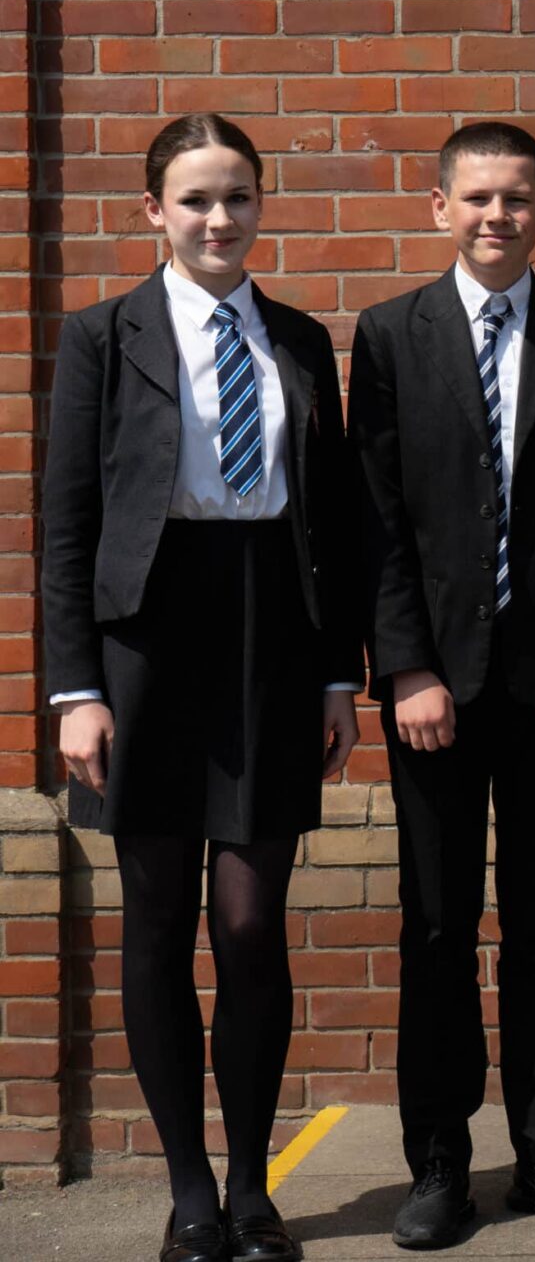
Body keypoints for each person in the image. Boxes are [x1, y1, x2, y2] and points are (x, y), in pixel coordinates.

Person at [43, 113, 364, 1262]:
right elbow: (67, 521)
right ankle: (189, 1193)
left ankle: (253, 1184)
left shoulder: (299, 336)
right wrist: (74, 686)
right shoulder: (100, 335)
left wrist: (340, 671)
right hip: (145, 644)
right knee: (157, 910)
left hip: (269, 637)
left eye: (237, 196)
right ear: (154, 211)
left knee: (248, 918)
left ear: (260, 202)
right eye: (195, 199)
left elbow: (331, 518)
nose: (219, 218)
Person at [349, 121, 535, 1247]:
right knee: (435, 924)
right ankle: (437, 1158)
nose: (496, 216)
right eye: (476, 196)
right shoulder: (390, 336)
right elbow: (373, 515)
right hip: (434, 693)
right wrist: (406, 663)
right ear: (439, 207)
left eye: (518, 198)